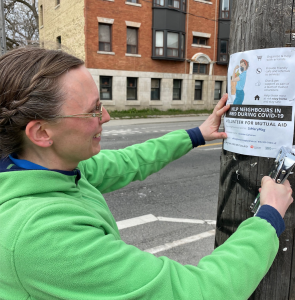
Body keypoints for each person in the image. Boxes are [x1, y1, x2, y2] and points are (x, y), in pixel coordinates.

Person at [0, 47, 292, 300]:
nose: (106, 117)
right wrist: (268, 218)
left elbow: (131, 161)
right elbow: (198, 292)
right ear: (41, 132)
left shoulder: (49, 169)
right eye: (93, 111)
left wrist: (196, 134)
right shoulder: (42, 236)